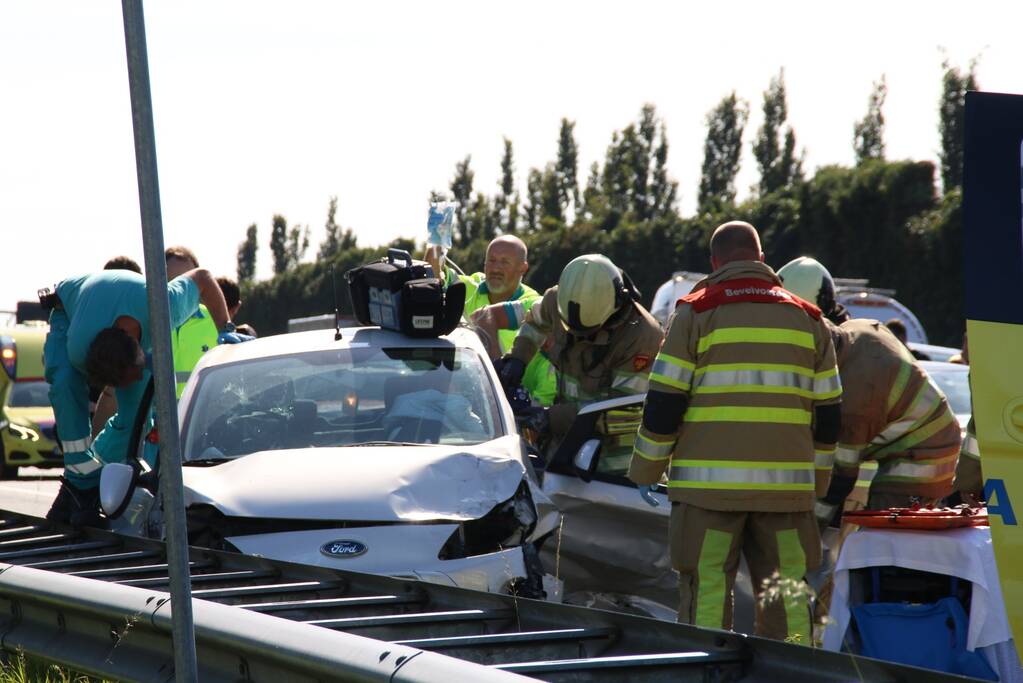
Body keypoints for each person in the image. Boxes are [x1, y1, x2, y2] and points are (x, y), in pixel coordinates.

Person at [628, 222, 841, 643]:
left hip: (708, 496)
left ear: (714, 263)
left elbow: (665, 403)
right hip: (787, 496)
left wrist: (646, 471)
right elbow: (830, 415)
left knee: (707, 593)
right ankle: (794, 677)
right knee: (789, 599)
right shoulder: (809, 319)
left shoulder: (695, 312)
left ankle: (708, 672)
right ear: (762, 260)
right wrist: (815, 483)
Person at [43, 266, 247, 526]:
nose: (138, 380)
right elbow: (76, 391)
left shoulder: (165, 307)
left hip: (125, 310)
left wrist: (225, 328)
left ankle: (93, 481)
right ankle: (79, 485)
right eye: (130, 380)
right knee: (65, 387)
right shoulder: (79, 348)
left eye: (137, 372)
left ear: (140, 351)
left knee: (136, 417)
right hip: (67, 311)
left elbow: (204, 277)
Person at [777, 257, 961, 517]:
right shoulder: (855, 331)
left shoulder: (854, 396)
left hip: (922, 458)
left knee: (885, 539)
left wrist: (812, 528)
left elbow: (840, 475)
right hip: (917, 446)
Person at [498, 253, 662, 451]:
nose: (578, 338)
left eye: (588, 333)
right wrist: (517, 358)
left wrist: (549, 418)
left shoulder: (642, 336)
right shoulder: (557, 300)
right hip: (563, 446)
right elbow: (535, 323)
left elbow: (620, 409)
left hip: (615, 463)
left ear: (615, 307)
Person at [425, 236, 556, 406]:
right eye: (492, 260)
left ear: (523, 268)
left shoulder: (533, 303)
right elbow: (431, 279)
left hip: (513, 405)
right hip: (463, 397)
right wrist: (437, 238)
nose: (496, 268)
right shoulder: (468, 287)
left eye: (504, 262)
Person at [166, 247, 219, 397]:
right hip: (157, 416)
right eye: (172, 283)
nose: (180, 291)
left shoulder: (215, 320)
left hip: (201, 416)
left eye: (185, 283)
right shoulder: (146, 322)